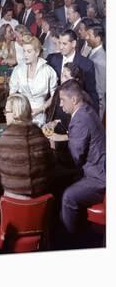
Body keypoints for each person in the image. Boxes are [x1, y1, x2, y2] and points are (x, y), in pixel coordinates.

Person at [59, 80, 105, 234]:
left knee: (68, 196)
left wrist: (53, 154)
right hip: (99, 168)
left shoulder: (79, 120)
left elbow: (75, 159)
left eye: (62, 100)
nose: (60, 105)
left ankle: (72, 241)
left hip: (98, 177)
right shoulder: (88, 109)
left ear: (74, 100)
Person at [0, 94, 53, 198]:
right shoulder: (40, 136)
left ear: (15, 114)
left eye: (6, 112)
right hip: (42, 197)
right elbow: (51, 165)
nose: (5, 115)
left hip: (12, 202)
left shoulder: (1, 142)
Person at [47, 29, 99, 115]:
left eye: (64, 44)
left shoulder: (86, 64)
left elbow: (91, 93)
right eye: (59, 43)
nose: (61, 47)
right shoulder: (52, 59)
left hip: (75, 111)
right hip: (55, 110)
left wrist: (94, 118)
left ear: (74, 44)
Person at [9, 35, 58, 126]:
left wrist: (41, 109)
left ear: (37, 52)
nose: (25, 55)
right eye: (24, 51)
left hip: (40, 116)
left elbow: (54, 95)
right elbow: (12, 94)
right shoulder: (18, 70)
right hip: (21, 114)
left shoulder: (48, 71)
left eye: (29, 51)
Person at [85, 24, 106, 120]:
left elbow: (100, 92)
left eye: (89, 35)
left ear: (98, 38)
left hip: (95, 105)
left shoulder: (100, 60)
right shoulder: (92, 52)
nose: (86, 37)